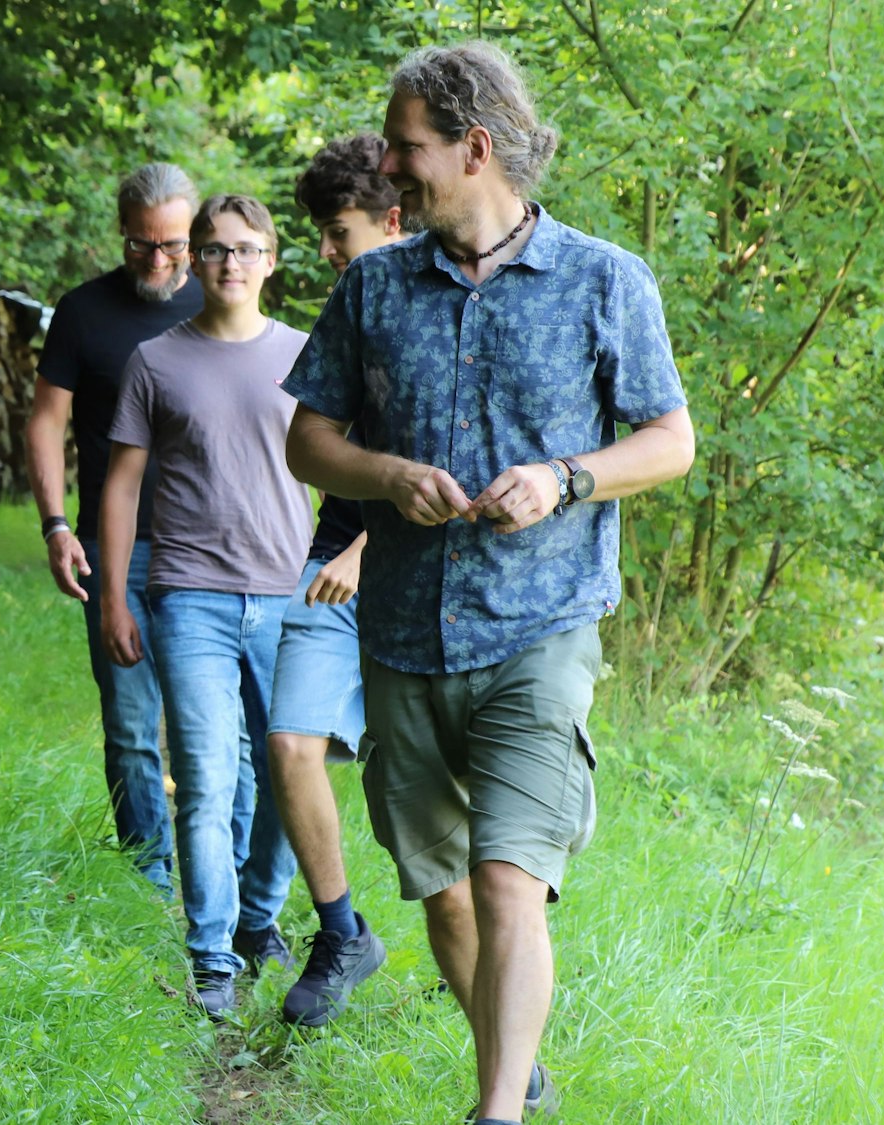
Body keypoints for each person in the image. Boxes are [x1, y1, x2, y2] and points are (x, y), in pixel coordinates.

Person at [282, 43, 694, 1123]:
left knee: (512, 876)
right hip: (403, 635)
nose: (388, 165)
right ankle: (512, 1072)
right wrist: (383, 477)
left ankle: (494, 1111)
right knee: (445, 891)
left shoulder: (603, 278)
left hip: (540, 630)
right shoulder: (373, 286)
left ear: (473, 148)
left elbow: (669, 442)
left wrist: (564, 480)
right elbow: (306, 442)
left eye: (405, 146)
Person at [97, 193, 312, 1019]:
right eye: (214, 249)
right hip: (189, 597)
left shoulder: (305, 353)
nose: (229, 263)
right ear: (192, 257)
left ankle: (260, 915)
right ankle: (212, 954)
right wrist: (115, 595)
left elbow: (354, 467)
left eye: (245, 248)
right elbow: (120, 487)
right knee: (208, 776)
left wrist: (358, 559)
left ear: (270, 260)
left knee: (289, 777)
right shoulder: (156, 360)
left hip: (288, 594)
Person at [25, 163, 205, 893]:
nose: (157, 262)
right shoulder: (83, 311)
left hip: (209, 545)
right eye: (140, 245)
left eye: (173, 245)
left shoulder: (219, 299)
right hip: (116, 544)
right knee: (132, 721)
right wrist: (55, 524)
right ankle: (146, 876)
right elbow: (45, 420)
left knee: (205, 720)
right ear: (120, 232)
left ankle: (212, 869)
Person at [267, 134, 404, 1028]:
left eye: (338, 230)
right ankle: (340, 930)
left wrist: (373, 551)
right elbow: (319, 442)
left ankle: (494, 994)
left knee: (434, 799)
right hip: (334, 562)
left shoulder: (464, 305)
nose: (324, 249)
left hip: (418, 576)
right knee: (289, 741)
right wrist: (346, 546)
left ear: (393, 221)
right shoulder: (349, 306)